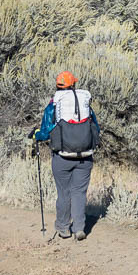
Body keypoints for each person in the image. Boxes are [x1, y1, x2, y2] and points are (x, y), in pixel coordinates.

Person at [30, 71, 100, 241]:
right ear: (73, 84)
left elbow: (45, 131)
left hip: (62, 157)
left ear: (58, 85)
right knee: (79, 192)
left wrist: (36, 135)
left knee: (64, 193)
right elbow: (95, 128)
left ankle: (63, 228)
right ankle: (79, 228)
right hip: (85, 157)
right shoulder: (84, 104)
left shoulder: (54, 104)